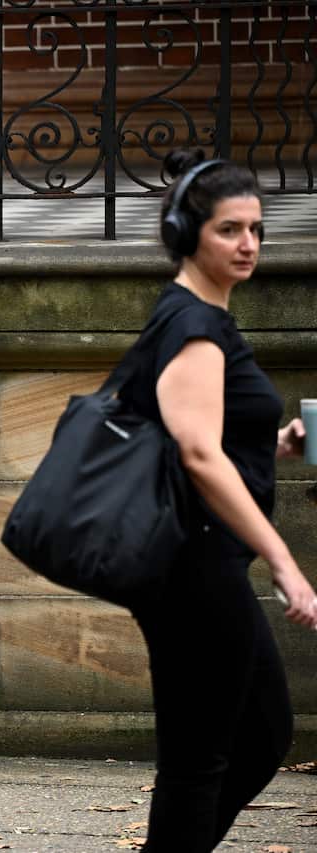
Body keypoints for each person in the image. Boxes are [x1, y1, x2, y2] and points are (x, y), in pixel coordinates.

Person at [118, 148, 317, 851]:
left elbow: (203, 435)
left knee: (261, 734)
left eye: (257, 229)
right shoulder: (192, 329)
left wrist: (281, 444)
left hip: (208, 564)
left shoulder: (206, 322)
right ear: (186, 233)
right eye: (229, 229)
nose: (249, 244)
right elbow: (199, 454)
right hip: (189, 567)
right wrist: (285, 561)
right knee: (199, 759)